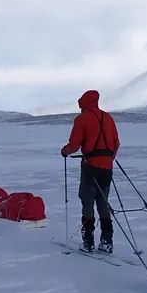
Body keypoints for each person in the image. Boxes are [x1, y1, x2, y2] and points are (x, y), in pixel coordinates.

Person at [60, 90, 120, 253]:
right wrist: (109, 159)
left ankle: (88, 242)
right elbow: (116, 143)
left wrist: (65, 151)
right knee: (103, 202)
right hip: (107, 168)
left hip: (90, 167)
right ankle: (107, 241)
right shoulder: (108, 118)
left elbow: (74, 145)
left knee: (87, 202)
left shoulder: (82, 119)